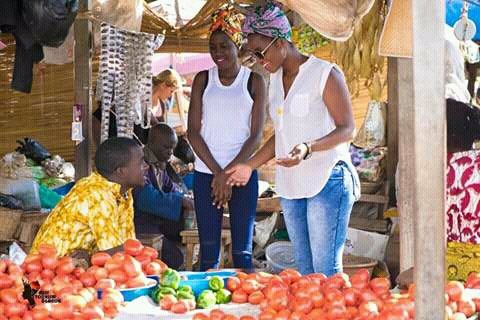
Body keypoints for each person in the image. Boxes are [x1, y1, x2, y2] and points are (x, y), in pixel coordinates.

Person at [227, 2, 360, 276]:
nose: (259, 61)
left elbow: (348, 128)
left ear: (280, 42)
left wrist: (308, 148)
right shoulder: (274, 80)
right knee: (306, 270)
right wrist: (249, 166)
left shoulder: (324, 73)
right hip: (291, 186)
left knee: (325, 270)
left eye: (259, 52)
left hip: (328, 180)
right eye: (252, 55)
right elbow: (282, 132)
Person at [187, 6, 267, 271]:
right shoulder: (202, 80)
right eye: (213, 47)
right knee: (208, 254)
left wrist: (228, 174)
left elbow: (256, 135)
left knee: (243, 254)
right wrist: (217, 174)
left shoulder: (253, 81)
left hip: (242, 175)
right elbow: (193, 132)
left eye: (224, 46)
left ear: (237, 45)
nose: (218, 53)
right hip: (206, 174)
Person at [31, 137, 148, 257]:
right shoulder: (97, 194)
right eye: (141, 162)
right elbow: (115, 255)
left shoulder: (124, 194)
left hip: (78, 267)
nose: (146, 166)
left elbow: (127, 245)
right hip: (49, 268)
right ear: (121, 171)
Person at [133, 124, 195, 268]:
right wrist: (180, 200)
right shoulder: (140, 164)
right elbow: (146, 198)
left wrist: (184, 197)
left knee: (185, 229)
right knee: (175, 258)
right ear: (152, 143)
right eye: (166, 147)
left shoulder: (160, 164)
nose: (170, 152)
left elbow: (170, 188)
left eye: (172, 148)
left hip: (154, 219)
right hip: (139, 223)